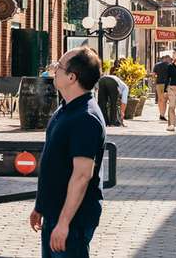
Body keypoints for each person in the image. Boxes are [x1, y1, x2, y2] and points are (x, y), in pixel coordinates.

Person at [31, 47, 107, 258]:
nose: (55, 69)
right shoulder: (65, 109)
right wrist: (41, 206)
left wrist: (64, 223)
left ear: (72, 77)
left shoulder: (85, 117)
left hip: (72, 219)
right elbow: (54, 163)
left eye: (60, 66)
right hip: (55, 212)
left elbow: (82, 175)